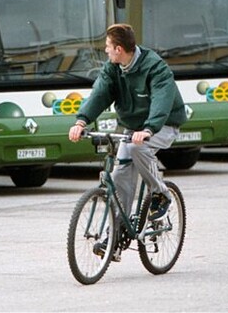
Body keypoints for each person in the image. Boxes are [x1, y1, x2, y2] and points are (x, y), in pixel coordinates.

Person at [69, 23, 187, 259]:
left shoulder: (155, 67)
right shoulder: (113, 68)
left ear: (120, 49)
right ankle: (115, 236)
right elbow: (100, 93)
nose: (105, 51)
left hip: (162, 124)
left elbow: (162, 100)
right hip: (133, 128)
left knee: (136, 146)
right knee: (119, 177)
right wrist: (82, 122)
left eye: (108, 47)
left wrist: (149, 128)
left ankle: (160, 193)